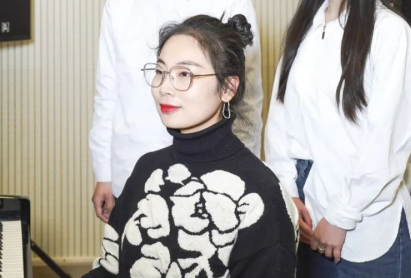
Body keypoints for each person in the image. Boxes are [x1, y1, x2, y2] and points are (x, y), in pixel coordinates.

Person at [265, 0, 411, 277]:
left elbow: (386, 142)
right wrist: (288, 193)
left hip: (366, 227)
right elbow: (280, 121)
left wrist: (340, 215)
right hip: (306, 214)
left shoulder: (389, 33)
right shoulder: (304, 30)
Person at [89, 0, 263, 223]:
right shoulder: (119, 5)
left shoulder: (230, 2)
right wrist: (103, 172)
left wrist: (243, 174)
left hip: (207, 178)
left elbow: (247, 104)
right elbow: (107, 94)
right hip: (129, 170)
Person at [84, 14, 298, 277]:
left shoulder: (261, 194)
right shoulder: (147, 169)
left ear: (228, 88)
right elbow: (109, 268)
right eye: (160, 72)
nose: (164, 87)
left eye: (184, 73)